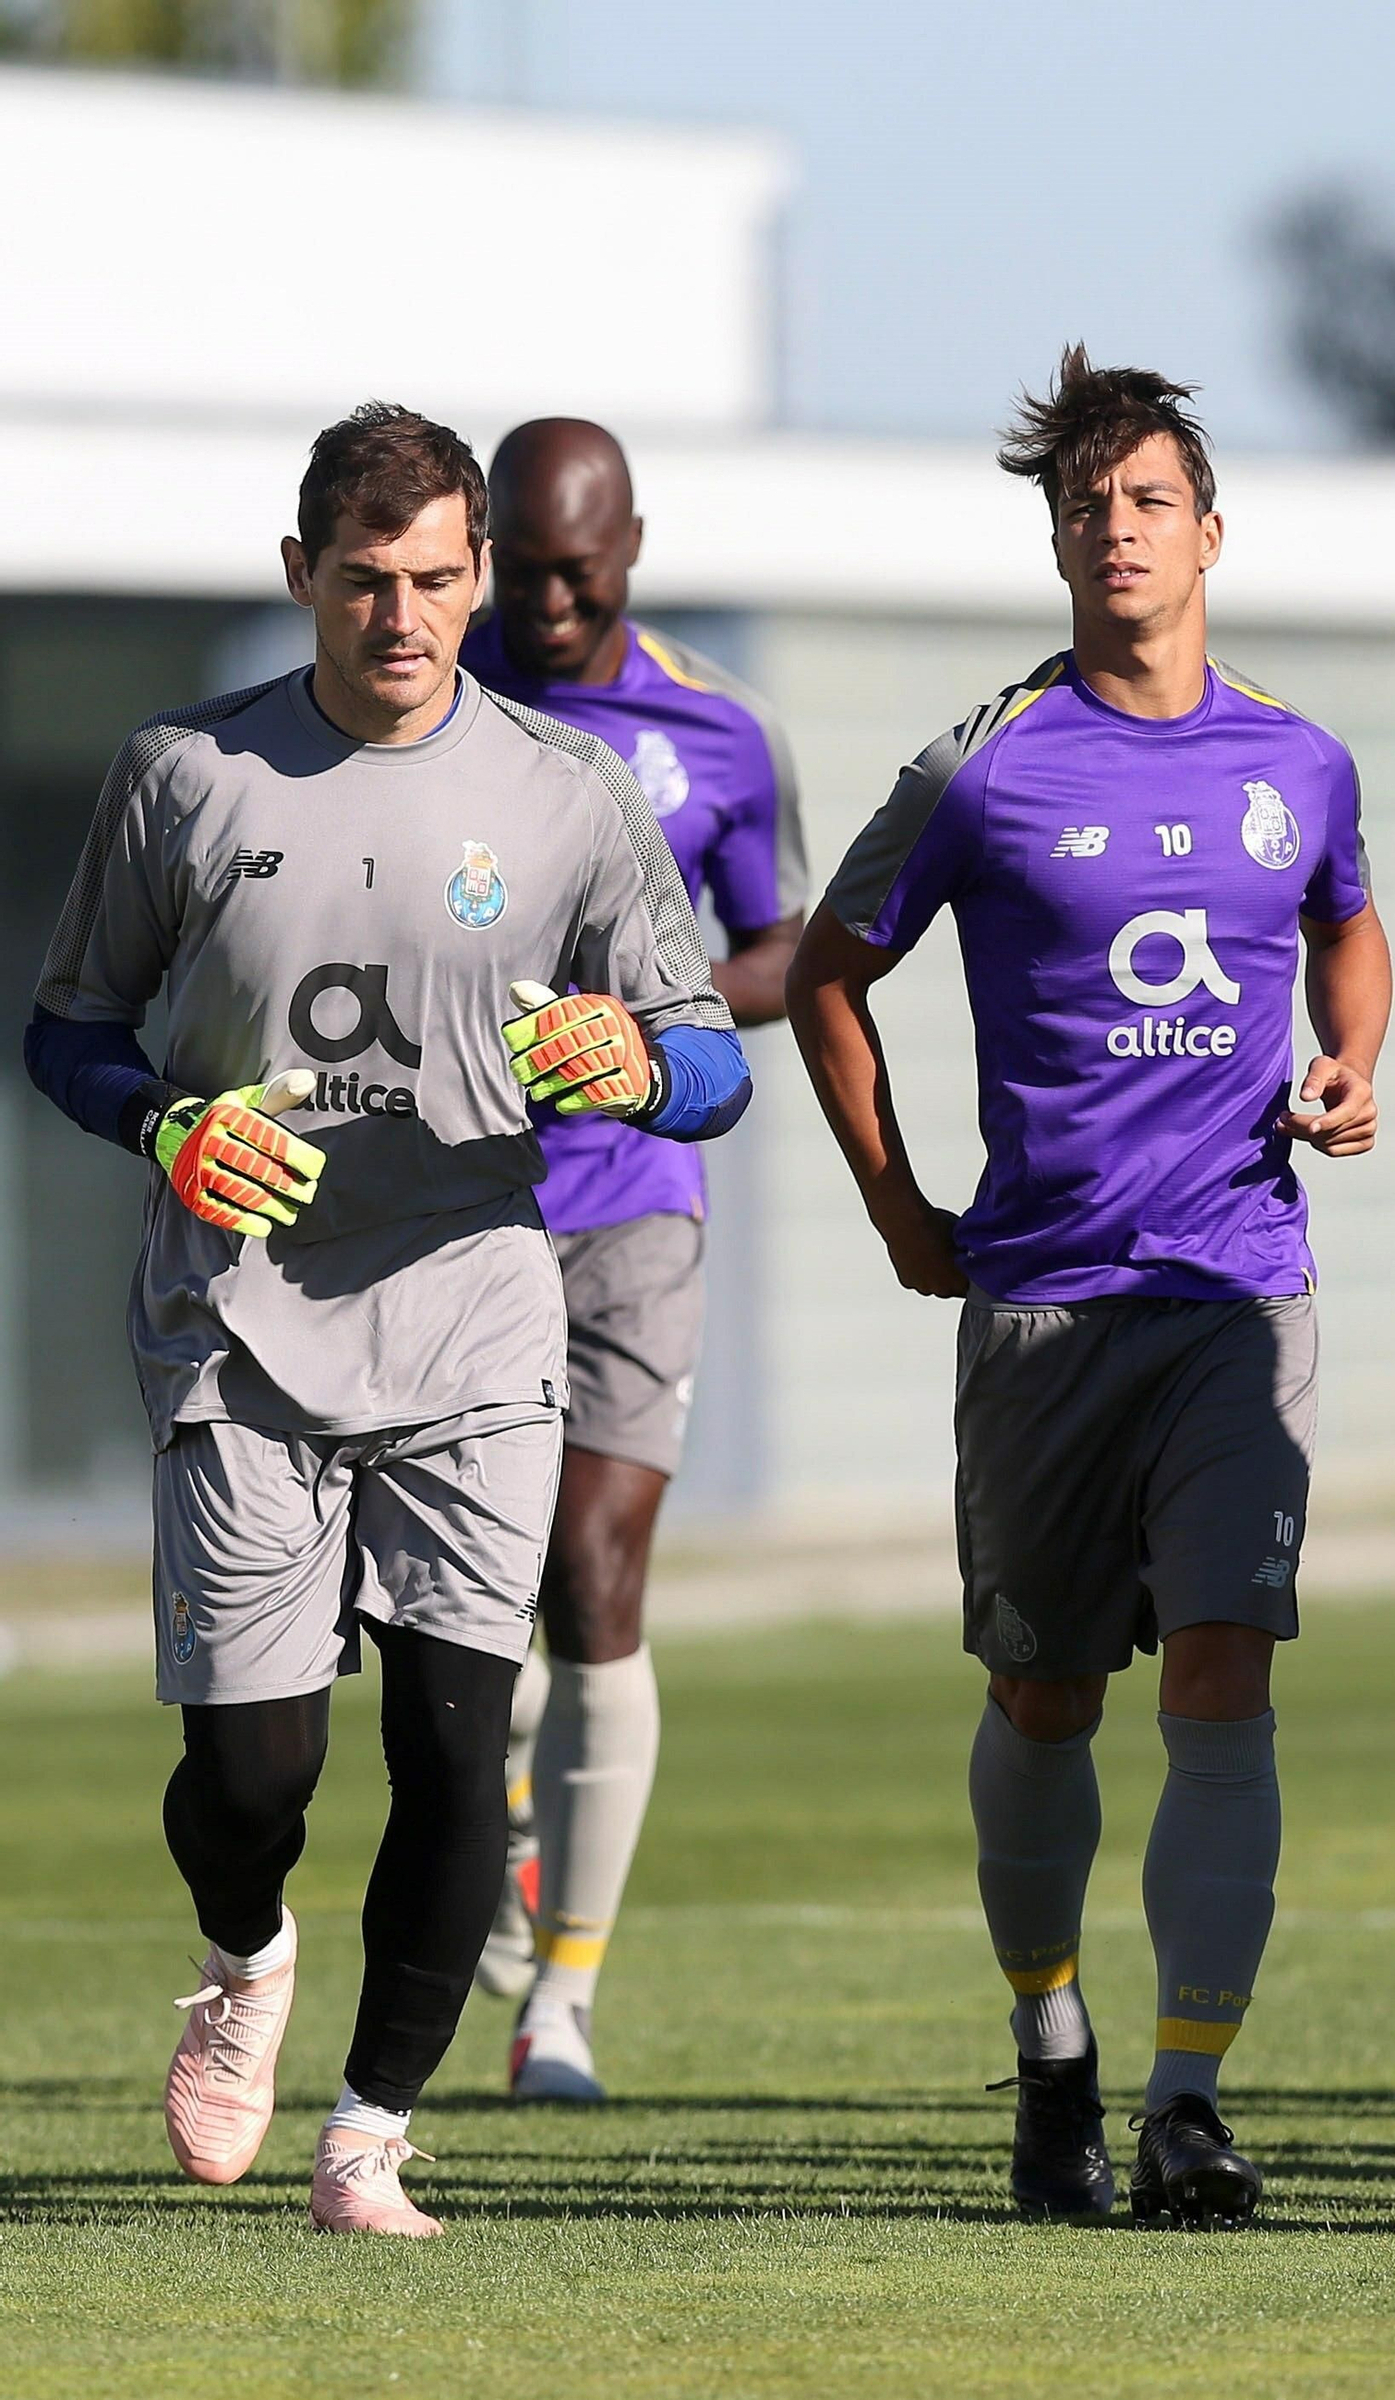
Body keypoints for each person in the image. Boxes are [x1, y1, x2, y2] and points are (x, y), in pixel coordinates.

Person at [24, 403, 750, 2236]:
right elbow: (68, 1031)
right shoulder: (187, 773)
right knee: (253, 1770)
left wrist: (639, 1066)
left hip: (475, 1322)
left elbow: (716, 1061)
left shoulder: (564, 793)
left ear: (479, 574)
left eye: (439, 579)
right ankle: (245, 1951)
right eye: (367, 584)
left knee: (452, 1737)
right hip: (243, 1327)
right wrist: (166, 1122)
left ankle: (368, 2136)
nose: (405, 617)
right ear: (302, 580)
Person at [786, 347, 1391, 2228]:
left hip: (1236, 1288)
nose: (1116, 532)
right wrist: (898, 1205)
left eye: (1147, 503)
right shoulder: (984, 763)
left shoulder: (1301, 761)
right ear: (1055, 541)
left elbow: (1347, 921)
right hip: (1041, 1300)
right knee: (1044, 1702)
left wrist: (1353, 1058)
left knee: (1225, 1679)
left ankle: (1189, 2101)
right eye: (1086, 507)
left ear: (1211, 531)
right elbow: (827, 966)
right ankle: (1052, 2046)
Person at [460, 419, 805, 2101]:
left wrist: (653, 1022)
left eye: (574, 569)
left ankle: (560, 2008)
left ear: (633, 548)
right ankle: (509, 1870)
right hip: (444, 1208)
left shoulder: (719, 733)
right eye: (516, 567)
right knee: (456, 1612)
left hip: (635, 1200)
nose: (543, 598)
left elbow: (787, 943)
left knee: (593, 1574)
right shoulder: (420, 703)